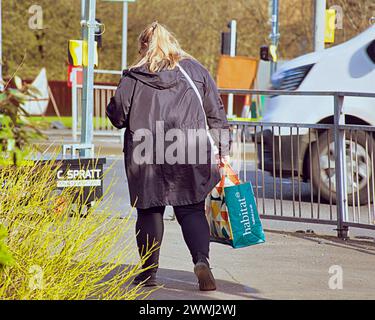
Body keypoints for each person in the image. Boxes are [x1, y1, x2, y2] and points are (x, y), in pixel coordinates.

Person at [106, 21, 230, 291]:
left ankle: (149, 273)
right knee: (191, 209)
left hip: (145, 152)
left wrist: (114, 104)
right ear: (172, 42)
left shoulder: (134, 76)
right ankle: (202, 261)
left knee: (149, 211)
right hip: (189, 149)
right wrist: (223, 151)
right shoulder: (196, 71)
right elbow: (216, 115)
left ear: (143, 46)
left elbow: (117, 117)